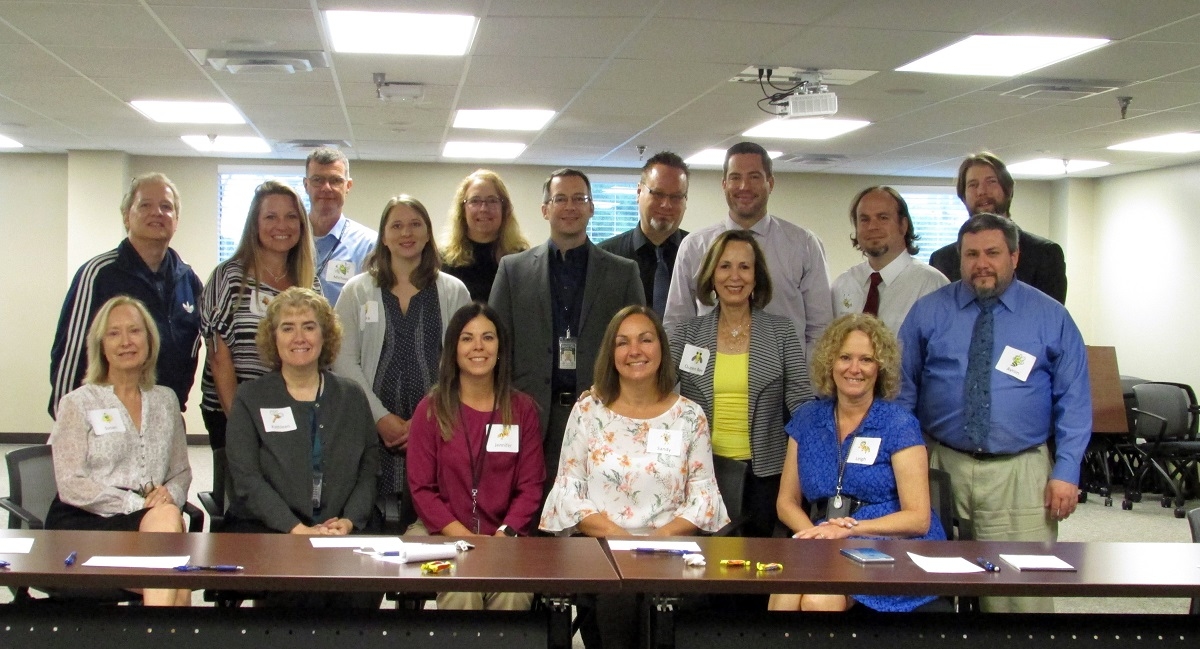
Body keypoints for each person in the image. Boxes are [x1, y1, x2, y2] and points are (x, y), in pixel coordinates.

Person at [898, 213, 1091, 613]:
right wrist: (906, 462)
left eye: (992, 253)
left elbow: (1074, 401)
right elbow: (901, 390)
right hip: (941, 465)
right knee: (932, 583)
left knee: (1019, 593)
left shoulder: (1050, 317)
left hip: (1020, 474)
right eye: (971, 254)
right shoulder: (929, 312)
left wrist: (1066, 472)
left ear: (1015, 257)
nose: (981, 263)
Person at [541, 305, 728, 649]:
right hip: (601, 549)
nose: (635, 351)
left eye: (645, 339)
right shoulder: (587, 411)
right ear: (611, 354)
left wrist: (654, 542)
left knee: (657, 598)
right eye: (623, 342)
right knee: (618, 595)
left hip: (671, 548)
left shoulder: (690, 416)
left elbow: (703, 498)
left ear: (662, 348)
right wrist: (623, 542)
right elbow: (569, 492)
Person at [770, 314, 944, 613]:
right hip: (824, 543)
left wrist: (848, 530)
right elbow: (786, 502)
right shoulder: (807, 420)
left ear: (880, 368)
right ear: (830, 363)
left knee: (817, 600)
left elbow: (918, 519)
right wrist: (817, 534)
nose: (854, 368)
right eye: (845, 357)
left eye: (866, 360)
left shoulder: (899, 424)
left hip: (888, 546)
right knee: (783, 596)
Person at [490, 168, 644, 494]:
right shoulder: (512, 270)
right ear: (545, 209)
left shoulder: (623, 273)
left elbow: (638, 352)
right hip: (530, 415)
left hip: (600, 413)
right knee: (529, 516)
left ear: (592, 208)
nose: (570, 207)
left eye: (580, 199)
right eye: (560, 199)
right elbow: (497, 349)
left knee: (594, 513)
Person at [333, 195, 470, 527]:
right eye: (396, 225)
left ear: (427, 233)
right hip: (373, 424)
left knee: (431, 513)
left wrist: (428, 419)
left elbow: (464, 362)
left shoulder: (452, 290)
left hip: (439, 422)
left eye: (415, 224)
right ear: (383, 235)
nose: (406, 233)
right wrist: (380, 418)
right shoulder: (357, 291)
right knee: (374, 518)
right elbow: (343, 360)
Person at [48, 296, 191, 607]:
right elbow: (70, 483)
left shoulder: (166, 401)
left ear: (150, 340)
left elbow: (181, 471)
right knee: (177, 579)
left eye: (134, 331)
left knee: (169, 531)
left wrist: (170, 496)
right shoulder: (78, 403)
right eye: (114, 334)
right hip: (85, 522)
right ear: (101, 345)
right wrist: (137, 504)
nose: (126, 342)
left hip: (151, 521)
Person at [669, 230, 814, 537]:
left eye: (744, 267)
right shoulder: (687, 334)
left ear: (756, 275)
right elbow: (652, 392)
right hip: (703, 472)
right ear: (711, 274)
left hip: (765, 475)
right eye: (724, 266)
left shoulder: (781, 332)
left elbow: (802, 405)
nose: (734, 276)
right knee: (705, 570)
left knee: (756, 571)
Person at [406, 303, 543, 611]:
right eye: (467, 338)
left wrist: (503, 536)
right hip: (439, 532)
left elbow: (531, 487)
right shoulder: (430, 409)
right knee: (461, 588)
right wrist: (466, 539)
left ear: (500, 348)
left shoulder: (523, 410)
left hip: (505, 537)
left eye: (488, 338)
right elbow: (422, 489)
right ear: (453, 348)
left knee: (513, 593)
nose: (478, 347)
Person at [49, 172, 203, 418]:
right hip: (107, 419)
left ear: (177, 219)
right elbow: (70, 355)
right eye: (145, 205)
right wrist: (69, 419)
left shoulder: (188, 280)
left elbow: (191, 351)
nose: (157, 213)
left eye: (166, 207)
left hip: (164, 415)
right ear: (126, 216)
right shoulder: (99, 274)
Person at [663, 141, 832, 353]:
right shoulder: (694, 247)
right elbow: (677, 326)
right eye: (735, 177)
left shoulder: (804, 245)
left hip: (784, 380)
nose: (744, 186)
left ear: (770, 183)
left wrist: (803, 383)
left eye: (754, 177)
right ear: (724, 184)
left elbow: (821, 329)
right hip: (711, 380)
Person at [200, 181, 318, 451]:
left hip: (290, 409)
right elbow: (219, 358)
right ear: (255, 225)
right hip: (232, 409)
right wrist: (241, 423)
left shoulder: (308, 282)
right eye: (270, 217)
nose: (282, 226)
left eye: (291, 217)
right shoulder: (229, 277)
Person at [928, 152, 1067, 304]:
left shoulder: (1044, 254)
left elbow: (1049, 320)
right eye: (973, 185)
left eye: (991, 182)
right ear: (963, 196)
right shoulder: (942, 260)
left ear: (1008, 190)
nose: (981, 191)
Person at [831, 186, 947, 333]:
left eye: (883, 218)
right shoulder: (842, 285)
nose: (872, 226)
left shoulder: (932, 286)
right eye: (864, 219)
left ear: (903, 226)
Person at [598, 152, 690, 315]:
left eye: (676, 197)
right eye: (658, 194)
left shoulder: (700, 254)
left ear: (685, 200)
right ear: (639, 192)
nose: (666, 205)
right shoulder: (605, 257)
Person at [440, 169, 530, 302]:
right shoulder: (443, 261)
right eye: (475, 201)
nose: (483, 208)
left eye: (492, 201)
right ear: (462, 210)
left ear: (504, 208)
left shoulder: (522, 259)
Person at [304, 147, 375, 306]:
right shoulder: (289, 238)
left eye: (335, 180)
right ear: (306, 185)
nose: (326, 188)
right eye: (317, 180)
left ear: (348, 186)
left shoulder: (369, 245)